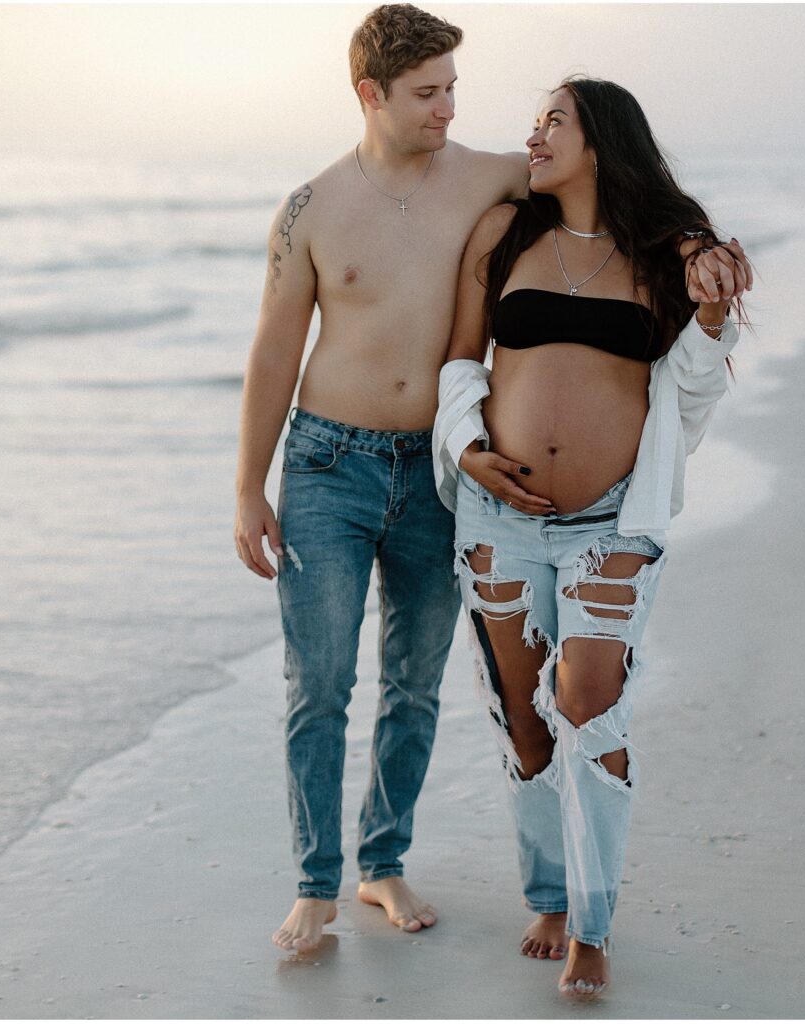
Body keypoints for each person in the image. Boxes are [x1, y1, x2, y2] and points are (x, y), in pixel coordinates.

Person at [433, 77, 751, 998]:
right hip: (498, 517)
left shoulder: (664, 257)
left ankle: (594, 921)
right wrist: (468, 448)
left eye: (553, 121)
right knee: (526, 721)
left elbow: (691, 397)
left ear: (602, 142)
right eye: (534, 122)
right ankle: (549, 894)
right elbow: (463, 357)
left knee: (586, 700)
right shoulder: (505, 236)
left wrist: (715, 313)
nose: (533, 136)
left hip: (611, 523)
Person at [233, 4, 529, 953]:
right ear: (371, 94)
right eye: (427, 93)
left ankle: (383, 863)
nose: (449, 108)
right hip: (327, 465)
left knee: (415, 682)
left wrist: (694, 248)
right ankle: (315, 884)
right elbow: (275, 352)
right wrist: (248, 486)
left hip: (440, 469)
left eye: (453, 89)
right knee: (318, 682)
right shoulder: (312, 209)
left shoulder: (491, 177)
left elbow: (612, 184)